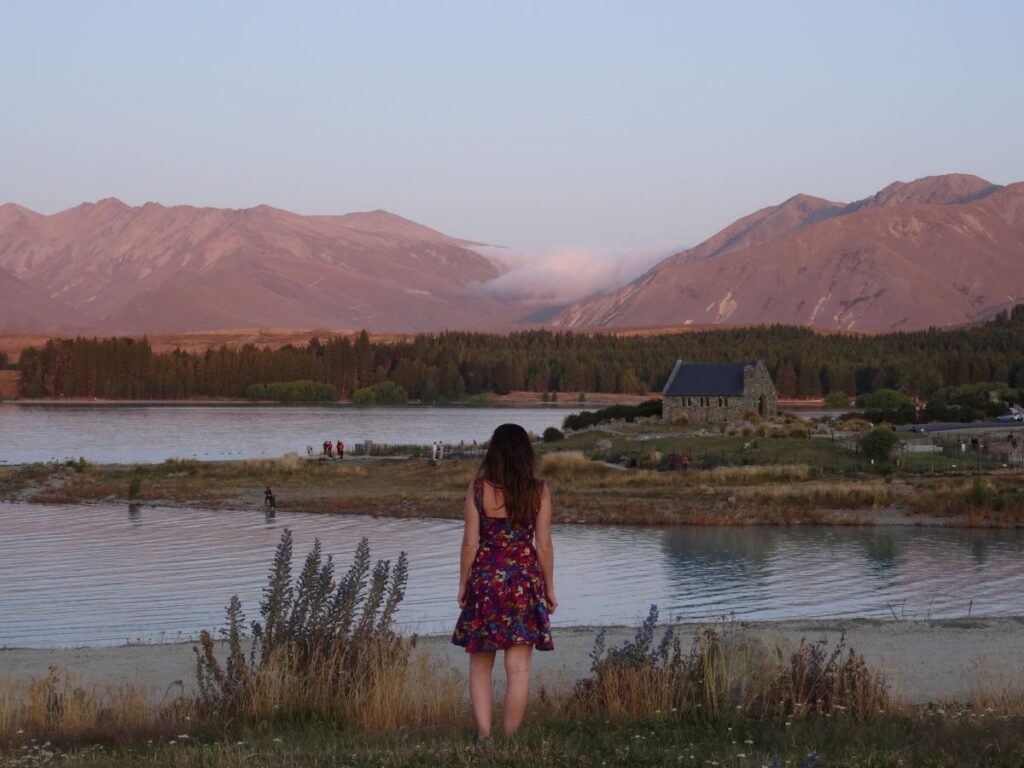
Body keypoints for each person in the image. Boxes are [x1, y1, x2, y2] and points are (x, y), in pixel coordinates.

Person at [452, 423, 556, 741]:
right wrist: (550, 587)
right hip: (524, 582)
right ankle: (509, 740)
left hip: (486, 581)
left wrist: (463, 583)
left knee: (481, 665)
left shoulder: (478, 489)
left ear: (493, 452)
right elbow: (545, 544)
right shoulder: (538, 491)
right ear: (526, 454)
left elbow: (470, 543)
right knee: (519, 669)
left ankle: (485, 736)